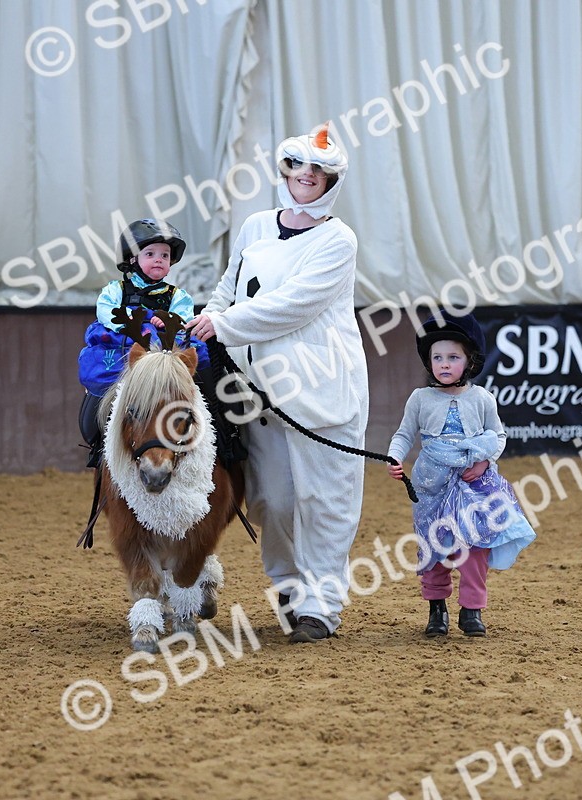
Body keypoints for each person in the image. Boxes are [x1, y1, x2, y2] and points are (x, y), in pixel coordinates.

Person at [187, 124, 368, 643]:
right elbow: (228, 287)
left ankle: (322, 606)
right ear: (286, 169)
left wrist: (225, 324)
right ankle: (288, 588)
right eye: (299, 166)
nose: (307, 176)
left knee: (324, 499)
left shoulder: (338, 239)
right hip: (253, 387)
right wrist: (206, 318)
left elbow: (295, 306)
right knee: (273, 499)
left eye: (319, 170)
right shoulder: (255, 225)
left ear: (332, 180)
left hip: (319, 386)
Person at [387, 311, 536, 638]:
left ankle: (472, 609)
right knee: (435, 547)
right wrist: (394, 457)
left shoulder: (482, 398)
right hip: (432, 485)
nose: (443, 363)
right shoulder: (420, 399)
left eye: (453, 357)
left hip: (475, 485)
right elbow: (403, 434)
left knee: (474, 546)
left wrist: (483, 463)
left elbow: (498, 436)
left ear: (469, 361)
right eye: (437, 357)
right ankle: (436, 609)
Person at [77, 218, 201, 467]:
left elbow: (183, 318)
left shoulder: (178, 296)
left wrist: (167, 320)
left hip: (164, 353)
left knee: (206, 377)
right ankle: (99, 443)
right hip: (124, 350)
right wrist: (135, 323)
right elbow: (106, 312)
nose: (159, 259)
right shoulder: (115, 290)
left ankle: (225, 443)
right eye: (151, 253)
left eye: (165, 255)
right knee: (99, 392)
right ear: (132, 259)